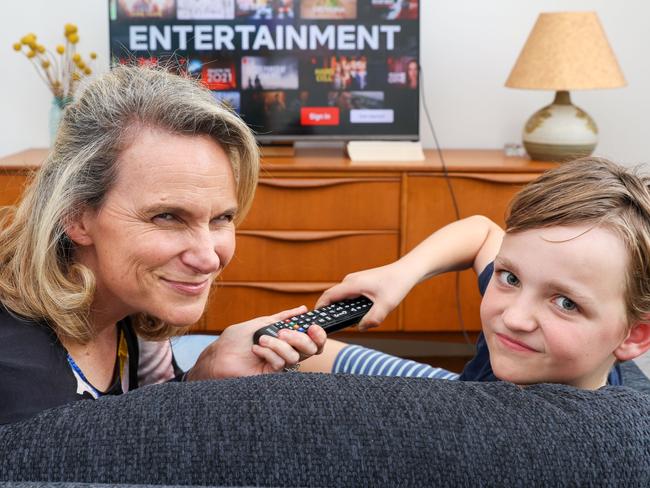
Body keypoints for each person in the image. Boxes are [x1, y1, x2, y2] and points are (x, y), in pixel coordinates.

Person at [0, 65, 326, 424]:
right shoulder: (22, 386)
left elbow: (145, 423)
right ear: (76, 217)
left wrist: (203, 374)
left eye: (222, 218)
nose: (207, 258)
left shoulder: (130, 304)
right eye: (167, 217)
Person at [302, 158, 650, 390]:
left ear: (634, 335)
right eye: (511, 278)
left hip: (462, 407)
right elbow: (482, 232)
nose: (513, 318)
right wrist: (399, 275)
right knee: (292, 348)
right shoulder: (530, 343)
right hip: (464, 387)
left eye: (565, 303)